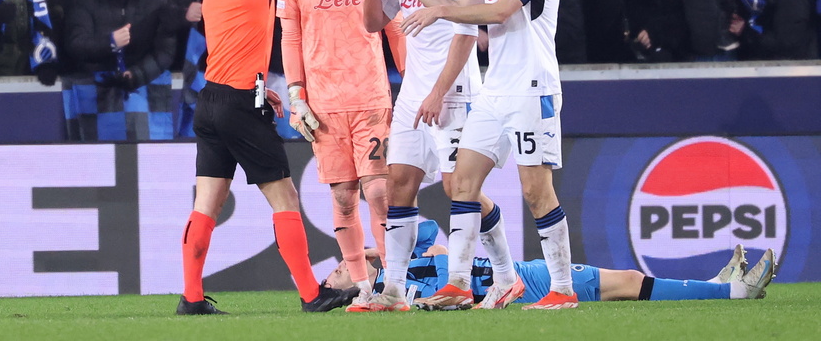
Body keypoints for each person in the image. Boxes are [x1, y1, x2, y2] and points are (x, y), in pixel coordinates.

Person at [177, 0, 354, 316]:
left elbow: (231, 48)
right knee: (284, 196)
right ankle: (312, 295)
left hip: (212, 100)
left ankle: (191, 299)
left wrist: (261, 85)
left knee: (206, 203)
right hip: (237, 105)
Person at [397, 0, 577, 311]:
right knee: (461, 181)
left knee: (536, 191)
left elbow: (499, 12)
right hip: (494, 90)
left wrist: (439, 11)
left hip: (533, 90)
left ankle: (564, 288)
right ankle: (458, 283)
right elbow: (460, 7)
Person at [356, 0, 499, 312]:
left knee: (461, 187)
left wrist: (439, 92)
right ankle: (394, 290)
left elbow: (465, 27)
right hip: (413, 94)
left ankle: (485, 276)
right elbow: (371, 22)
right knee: (398, 185)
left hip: (452, 91)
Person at [277, 0, 405, 305]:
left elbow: (395, 29)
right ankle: (363, 289)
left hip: (370, 98)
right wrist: (297, 95)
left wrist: (412, 82)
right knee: (342, 196)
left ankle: (394, 287)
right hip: (324, 106)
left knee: (380, 194)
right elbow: (291, 35)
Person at [325, 221, 777, 304]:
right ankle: (733, 291)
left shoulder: (398, 266)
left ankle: (718, 285)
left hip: (521, 271)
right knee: (628, 281)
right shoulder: (395, 293)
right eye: (338, 270)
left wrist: (364, 253)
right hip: (525, 291)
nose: (339, 265)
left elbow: (426, 233)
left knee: (627, 279)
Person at [62, 0, 177, 141]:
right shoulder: (86, 2)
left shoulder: (156, 1)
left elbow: (165, 51)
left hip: (143, 88)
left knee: (146, 160)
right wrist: (110, 42)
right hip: (96, 93)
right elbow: (76, 44)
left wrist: (136, 75)